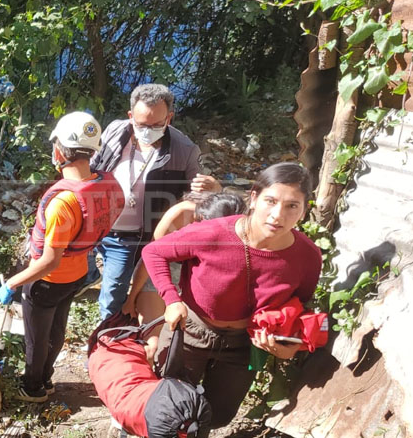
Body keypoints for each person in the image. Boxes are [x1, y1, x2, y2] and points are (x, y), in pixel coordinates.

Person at [142, 162, 322, 428]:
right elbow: (154, 252)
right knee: (171, 410)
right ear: (253, 198)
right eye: (270, 201)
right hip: (190, 330)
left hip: (244, 343)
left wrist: (287, 344)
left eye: (291, 206)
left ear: (304, 210)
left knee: (219, 415)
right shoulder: (214, 232)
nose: (277, 215)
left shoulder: (308, 256)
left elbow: (300, 304)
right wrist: (171, 299)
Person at [0, 111, 124, 403]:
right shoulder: (107, 183)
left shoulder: (64, 202)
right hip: (78, 273)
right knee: (57, 329)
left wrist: (13, 284)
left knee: (37, 338)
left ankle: (33, 387)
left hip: (48, 281)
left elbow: (49, 262)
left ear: (59, 150)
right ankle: (48, 378)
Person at [88, 83, 220, 320]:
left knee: (117, 297)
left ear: (169, 118)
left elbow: (198, 198)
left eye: (157, 125)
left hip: (141, 236)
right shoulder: (114, 131)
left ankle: (117, 341)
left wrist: (213, 189)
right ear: (130, 116)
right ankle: (110, 341)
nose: (148, 130)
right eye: (141, 125)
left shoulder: (185, 150)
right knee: (100, 286)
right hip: (102, 227)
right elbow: (93, 167)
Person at [122, 192, 246, 360]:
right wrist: (132, 299)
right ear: (202, 217)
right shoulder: (182, 213)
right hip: (163, 273)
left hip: (195, 279)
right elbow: (150, 257)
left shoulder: (241, 228)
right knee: (154, 345)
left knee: (177, 344)